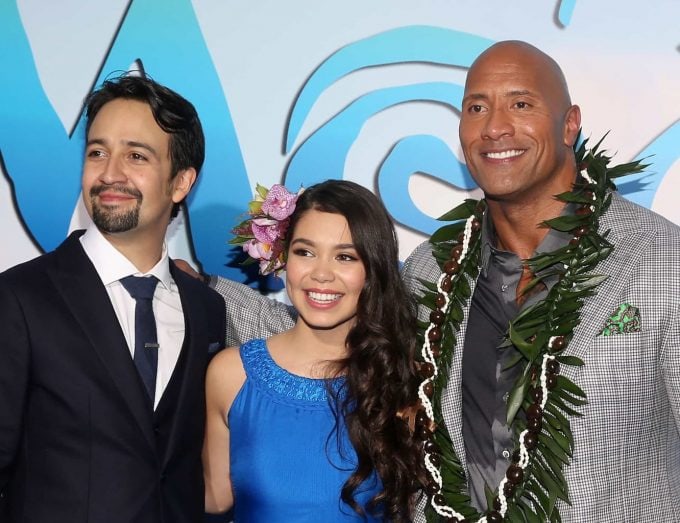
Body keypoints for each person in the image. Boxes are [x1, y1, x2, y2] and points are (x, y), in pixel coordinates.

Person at [192, 41, 680, 521]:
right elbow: (338, 325)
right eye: (477, 107)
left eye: (522, 103)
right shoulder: (434, 270)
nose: (495, 127)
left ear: (570, 123)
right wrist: (196, 286)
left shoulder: (657, 261)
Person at [0, 74, 226, 522]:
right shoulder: (19, 299)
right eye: (97, 152)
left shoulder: (206, 309)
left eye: (135, 155)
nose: (109, 173)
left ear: (181, 182)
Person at [202, 180, 425, 522]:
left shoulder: (402, 379)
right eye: (305, 252)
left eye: (345, 257)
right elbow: (212, 499)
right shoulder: (230, 374)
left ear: (373, 271)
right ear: (283, 258)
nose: (321, 274)